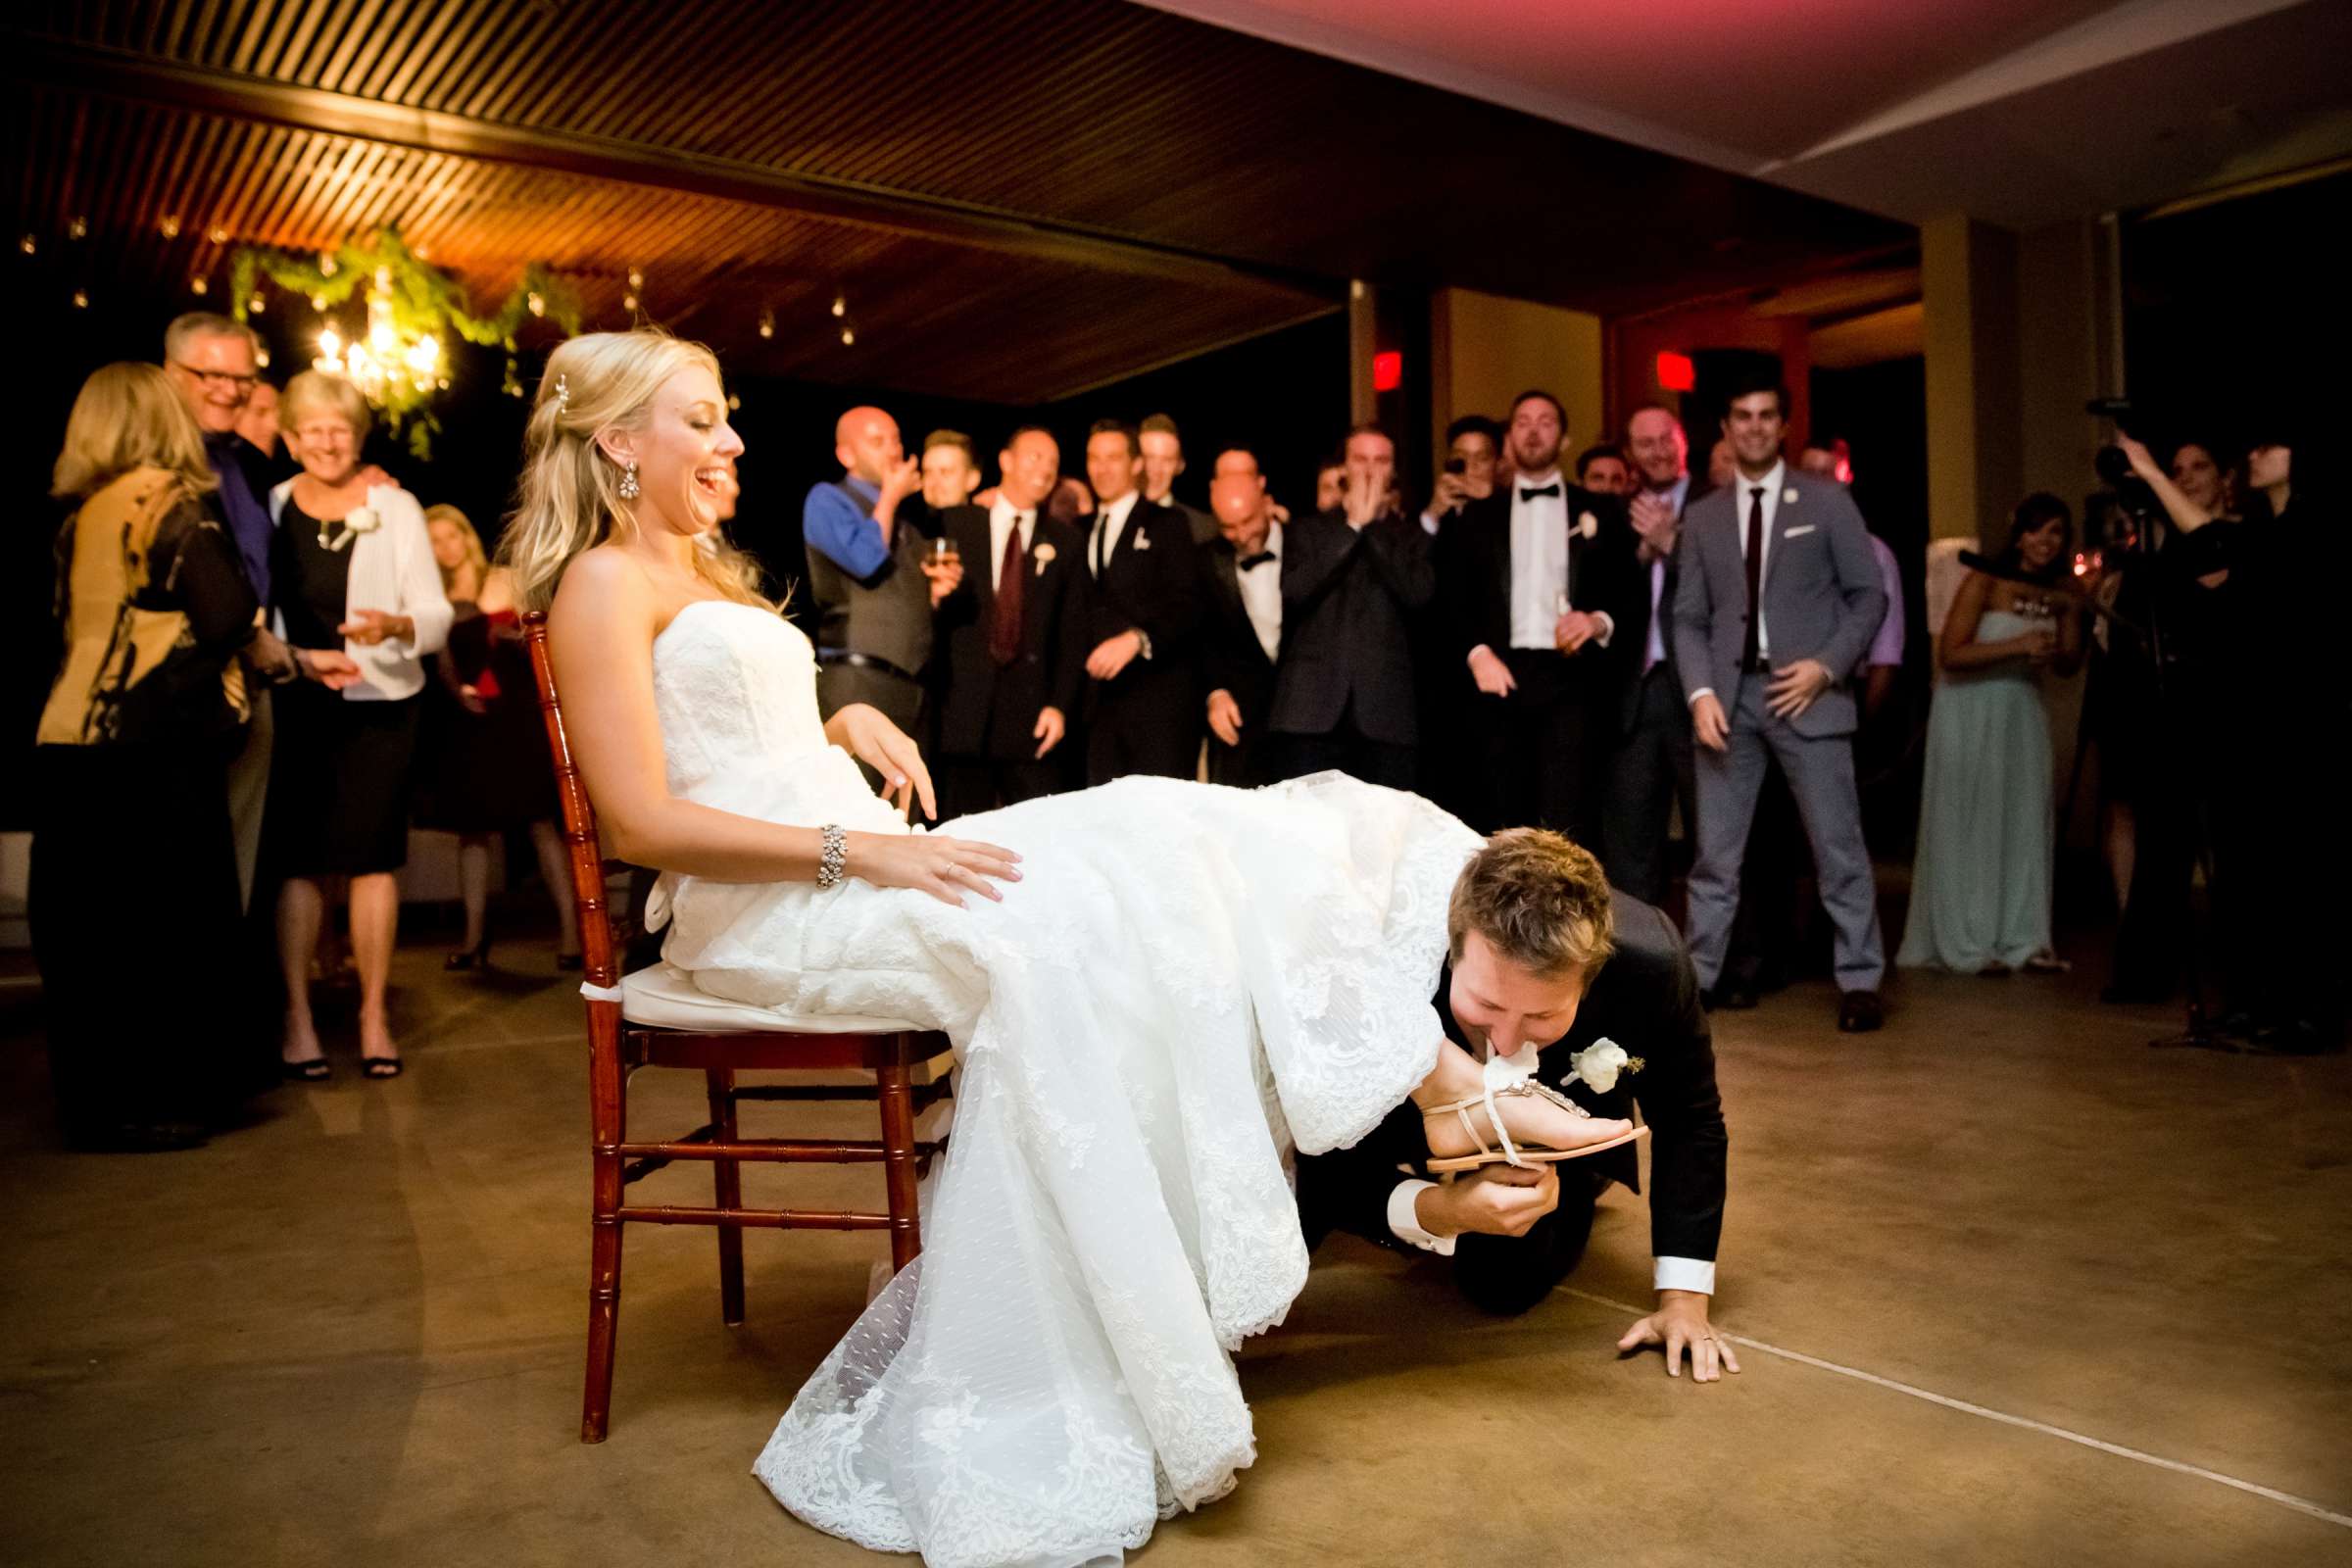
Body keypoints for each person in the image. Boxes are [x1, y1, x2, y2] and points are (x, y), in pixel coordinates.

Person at [514, 330, 1641, 1565]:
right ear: (618, 440)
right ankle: (1448, 1087)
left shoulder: (696, 565)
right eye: (702, 420)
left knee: (1162, 822)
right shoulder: (602, 585)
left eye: (727, 415)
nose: (732, 439)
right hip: (777, 905)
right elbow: (638, 818)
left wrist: (840, 720)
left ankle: (1435, 1077)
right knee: (1099, 897)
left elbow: (728, 725)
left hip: (834, 849)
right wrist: (863, 850)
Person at [1298, 830, 1732, 1364]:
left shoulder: (1652, 965)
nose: (1504, 1042)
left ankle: (1585, 1178)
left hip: (1548, 1126)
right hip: (1390, 1115)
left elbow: (1690, 1120)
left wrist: (1684, 1299)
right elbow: (1320, 1156)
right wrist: (1439, 1209)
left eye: (1542, 1016)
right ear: (1452, 952)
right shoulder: (1383, 950)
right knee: (1291, 1227)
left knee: (1503, 1283)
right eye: (1484, 1003)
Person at [32, 364, 308, 1151]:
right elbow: (226, 617)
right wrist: (252, 668)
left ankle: (99, 1106)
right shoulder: (172, 506)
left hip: (68, 744)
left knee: (89, 938)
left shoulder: (77, 516)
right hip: (151, 749)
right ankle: (165, 1099)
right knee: (166, 929)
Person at [1674, 371, 1888, 1032]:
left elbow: (1869, 596)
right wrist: (1700, 690)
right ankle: (1696, 985)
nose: (1755, 426)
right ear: (1726, 427)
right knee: (1715, 856)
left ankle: (1860, 979)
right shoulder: (1705, 513)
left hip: (1807, 696)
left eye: (1767, 415)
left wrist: (1827, 668)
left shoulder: (1826, 502)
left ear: (1784, 425)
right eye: (1742, 414)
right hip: (1729, 700)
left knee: (1838, 848)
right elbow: (1687, 616)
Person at [267, 369, 453, 1080]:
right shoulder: (271, 502)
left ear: (358, 435)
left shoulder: (395, 504)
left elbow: (433, 615)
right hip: (296, 699)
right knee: (300, 862)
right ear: (290, 437)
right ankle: (298, 1018)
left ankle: (374, 1014)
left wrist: (396, 624)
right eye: (311, 429)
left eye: (338, 428)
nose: (325, 441)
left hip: (382, 703)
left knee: (374, 857)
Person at [1898, 494, 2082, 975]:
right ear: (2019, 534)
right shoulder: (1985, 578)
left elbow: (2067, 665)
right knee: (1973, 819)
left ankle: (2021, 938)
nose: (2045, 540)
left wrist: (2071, 614)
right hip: (1972, 707)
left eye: (2056, 532)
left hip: (2023, 709)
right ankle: (1970, 939)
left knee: (2022, 819)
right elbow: (1951, 655)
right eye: (2037, 529)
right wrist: (2017, 644)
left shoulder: (2061, 590)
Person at [1444, 391, 1638, 839]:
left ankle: (1567, 910)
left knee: (1568, 819)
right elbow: (1454, 599)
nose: (1533, 430)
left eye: (1546, 421)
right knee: (1499, 817)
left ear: (1564, 438)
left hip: (1571, 676)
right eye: (1523, 422)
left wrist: (1597, 621)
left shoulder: (1602, 510)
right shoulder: (1477, 515)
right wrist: (1477, 654)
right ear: (1510, 438)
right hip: (1499, 675)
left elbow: (1629, 594)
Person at [415, 505, 582, 972]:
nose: (444, 547)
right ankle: (473, 937)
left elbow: (549, 634)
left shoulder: (509, 578)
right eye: (433, 540)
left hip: (521, 715)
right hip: (472, 720)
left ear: (467, 536)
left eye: (451, 536)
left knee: (542, 822)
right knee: (473, 829)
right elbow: (442, 661)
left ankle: (573, 935)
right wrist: (456, 694)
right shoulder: (434, 597)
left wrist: (520, 637)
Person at [165, 313, 278, 911]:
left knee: (238, 860)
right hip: (176, 691)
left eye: (243, 377)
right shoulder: (152, 460)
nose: (231, 390)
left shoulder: (251, 464)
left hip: (250, 680)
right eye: (213, 374)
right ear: (172, 372)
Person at [929, 426, 1087, 818]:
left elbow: (1072, 632)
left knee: (1039, 833)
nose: (1046, 469)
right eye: (1036, 456)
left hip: (1031, 717)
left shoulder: (1066, 541)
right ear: (1006, 461)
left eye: (1053, 462)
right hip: (963, 711)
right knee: (958, 832)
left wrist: (1059, 706)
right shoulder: (958, 524)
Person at [1267, 424, 1436, 787]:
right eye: (1360, 459)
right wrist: (1352, 527)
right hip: (1310, 711)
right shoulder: (1306, 530)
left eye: (1381, 460)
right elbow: (1295, 591)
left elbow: (1417, 595)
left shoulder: (1412, 538)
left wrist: (1369, 530)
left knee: (1381, 836)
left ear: (1393, 471)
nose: (1370, 469)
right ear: (1343, 467)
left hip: (1385, 714)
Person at [1603, 406, 1703, 906]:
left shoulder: (1715, 503)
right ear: (1631, 454)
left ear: (1683, 440)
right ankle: (1641, 967)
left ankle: (1726, 969)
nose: (1659, 450)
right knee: (1631, 844)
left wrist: (1672, 545)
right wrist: (1640, 558)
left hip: (1699, 691)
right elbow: (1601, 598)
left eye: (1667, 438)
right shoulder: (1616, 515)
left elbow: (1731, 593)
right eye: (1646, 443)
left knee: (1712, 836)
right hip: (1634, 694)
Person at [802, 407, 934, 760]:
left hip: (908, 683)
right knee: (859, 802)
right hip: (857, 681)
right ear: (846, 454)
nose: (893, 450)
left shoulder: (908, 524)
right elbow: (865, 560)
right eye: (878, 441)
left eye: (896, 440)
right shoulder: (828, 499)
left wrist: (936, 592)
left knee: (905, 807)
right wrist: (890, 496)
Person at [1077, 418, 1200, 784]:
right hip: (1097, 708)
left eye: (1113, 457)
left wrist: (1137, 638)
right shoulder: (1076, 530)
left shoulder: (1168, 523)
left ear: (1135, 465)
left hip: (1157, 706)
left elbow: (1189, 603)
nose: (1102, 468)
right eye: (1094, 458)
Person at [1199, 466, 1283, 786]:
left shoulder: (1305, 544)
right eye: (1228, 527)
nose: (1242, 535)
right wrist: (1215, 691)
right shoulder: (1207, 560)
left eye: (1247, 521)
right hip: (1241, 723)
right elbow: (1204, 636)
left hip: (1304, 721)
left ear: (1266, 500)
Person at [1141, 413, 1216, 544]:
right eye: (1148, 458)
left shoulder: (1203, 529)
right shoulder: (1108, 522)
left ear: (1180, 466)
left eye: (1167, 460)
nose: (1156, 470)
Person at [1421, 414, 1501, 534]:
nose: (1470, 466)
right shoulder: (1429, 506)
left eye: (1482, 458)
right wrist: (1433, 514)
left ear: (1498, 463)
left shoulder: (1511, 508)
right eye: (1461, 457)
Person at [918, 428, 983, 512]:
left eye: (945, 472)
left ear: (972, 479)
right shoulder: (903, 522)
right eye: (927, 472)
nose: (934, 481)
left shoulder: (992, 523)